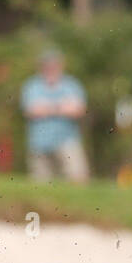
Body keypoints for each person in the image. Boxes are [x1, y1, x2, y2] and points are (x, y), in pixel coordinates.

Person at [20, 49, 90, 182]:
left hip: (67, 140)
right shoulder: (32, 86)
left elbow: (78, 110)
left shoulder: (72, 85)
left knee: (77, 178)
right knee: (40, 182)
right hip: (39, 142)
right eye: (47, 65)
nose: (51, 68)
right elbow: (31, 110)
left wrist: (47, 107)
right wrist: (61, 107)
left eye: (54, 65)